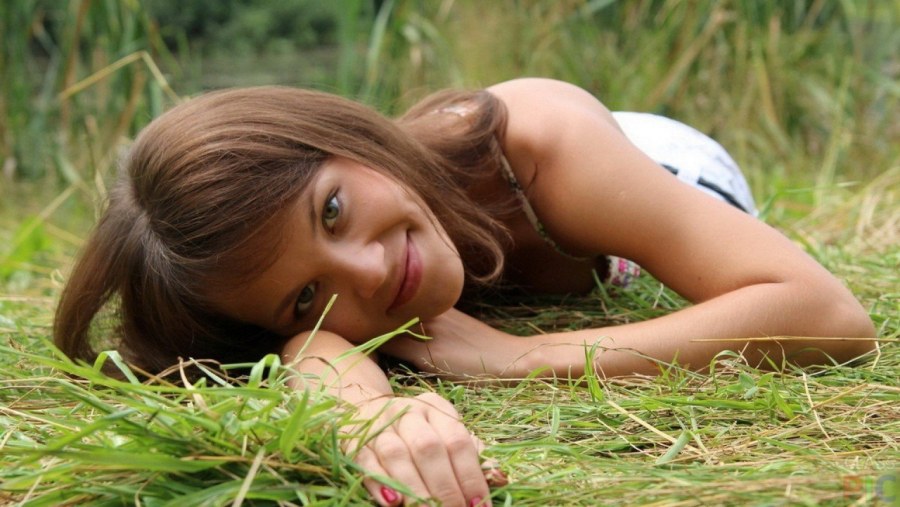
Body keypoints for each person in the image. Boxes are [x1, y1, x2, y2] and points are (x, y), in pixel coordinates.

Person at [54, 78, 876, 506]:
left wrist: (524, 358)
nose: (368, 272)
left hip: (658, 155)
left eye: (332, 210)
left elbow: (829, 313)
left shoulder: (537, 145)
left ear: (341, 136)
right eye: (306, 293)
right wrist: (364, 413)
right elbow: (309, 353)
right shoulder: (322, 303)